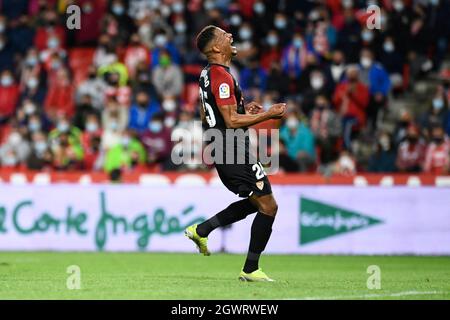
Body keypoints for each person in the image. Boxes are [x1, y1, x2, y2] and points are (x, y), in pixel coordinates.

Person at [185, 25, 286, 282]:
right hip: (231, 147)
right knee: (268, 205)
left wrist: (242, 106)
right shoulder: (220, 75)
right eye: (223, 35)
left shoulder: (208, 75)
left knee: (259, 202)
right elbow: (229, 121)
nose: (230, 36)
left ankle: (203, 229)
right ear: (216, 48)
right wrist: (269, 113)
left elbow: (205, 112)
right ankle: (250, 269)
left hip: (223, 146)